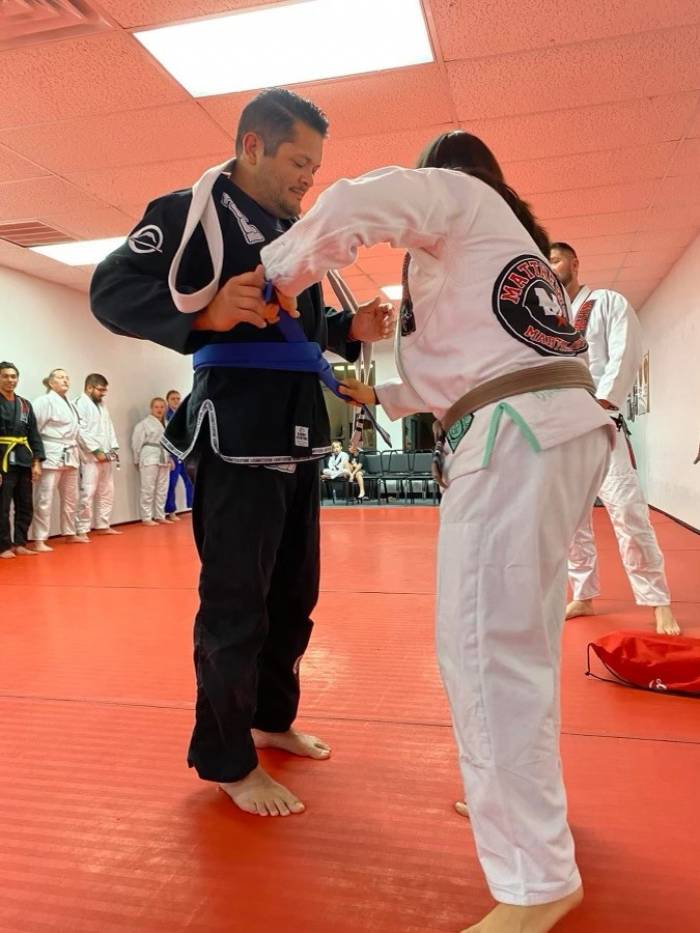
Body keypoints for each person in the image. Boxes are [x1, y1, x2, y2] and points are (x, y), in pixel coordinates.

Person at [260, 131, 615, 932]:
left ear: (441, 176)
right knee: (518, 648)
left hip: (515, 436)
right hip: (558, 427)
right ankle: (523, 813)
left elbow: (354, 200)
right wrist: (373, 384)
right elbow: (452, 367)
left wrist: (278, 274)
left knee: (485, 652)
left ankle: (535, 880)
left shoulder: (457, 196)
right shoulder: (510, 250)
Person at [90, 87, 394, 818]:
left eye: (314, 167)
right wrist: (206, 311)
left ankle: (270, 717)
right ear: (252, 146)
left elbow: (293, 328)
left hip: (298, 430)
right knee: (236, 605)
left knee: (294, 597)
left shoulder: (295, 229)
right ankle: (226, 759)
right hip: (235, 429)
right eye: (298, 162)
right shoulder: (191, 212)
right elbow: (110, 290)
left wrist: (349, 330)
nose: (308, 178)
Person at [549, 242, 680, 637]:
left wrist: (603, 402)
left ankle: (658, 600)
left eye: (555, 259)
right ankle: (583, 594)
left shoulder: (608, 302)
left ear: (574, 262)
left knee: (628, 512)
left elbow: (626, 351)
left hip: (601, 422)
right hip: (562, 430)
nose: (550, 267)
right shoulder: (547, 320)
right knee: (571, 521)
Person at [30, 368, 84, 550]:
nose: (65, 380)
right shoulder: (44, 401)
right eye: (61, 377)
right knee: (44, 498)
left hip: (70, 453)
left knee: (71, 497)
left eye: (67, 377)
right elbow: (34, 430)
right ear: (51, 382)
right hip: (50, 452)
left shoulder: (71, 404)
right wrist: (35, 458)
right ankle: (39, 539)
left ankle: (69, 532)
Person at [0, 362, 44, 558]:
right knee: (2, 506)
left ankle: (20, 543)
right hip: (2, 460)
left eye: (13, 376)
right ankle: (3, 546)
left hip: (23, 459)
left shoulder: (25, 404)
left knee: (25, 504)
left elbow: (34, 434)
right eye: (5, 376)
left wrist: (37, 461)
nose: (10, 380)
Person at [75, 373, 121, 537]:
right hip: (89, 457)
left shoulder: (102, 405)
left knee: (107, 491)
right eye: (100, 390)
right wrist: (96, 451)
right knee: (87, 492)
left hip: (106, 454)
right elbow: (80, 431)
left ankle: (103, 524)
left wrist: (113, 449)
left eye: (104, 390)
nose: (103, 393)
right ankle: (82, 528)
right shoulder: (79, 403)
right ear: (89, 387)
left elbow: (109, 427)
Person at [132, 398, 171, 526]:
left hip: (164, 456)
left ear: (165, 409)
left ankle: (160, 515)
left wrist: (170, 457)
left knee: (162, 488)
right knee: (148, 488)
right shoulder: (144, 424)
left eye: (162, 407)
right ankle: (146, 517)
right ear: (151, 408)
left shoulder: (167, 423)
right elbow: (136, 442)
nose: (159, 410)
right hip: (149, 456)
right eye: (156, 407)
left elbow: (169, 443)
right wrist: (136, 458)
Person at [164, 389, 193, 522]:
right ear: (168, 401)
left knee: (191, 481)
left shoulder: (184, 415)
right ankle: (171, 511)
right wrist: (169, 456)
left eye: (178, 398)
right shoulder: (165, 417)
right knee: (172, 483)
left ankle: (193, 506)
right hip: (173, 455)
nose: (176, 401)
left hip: (185, 454)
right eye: (173, 399)